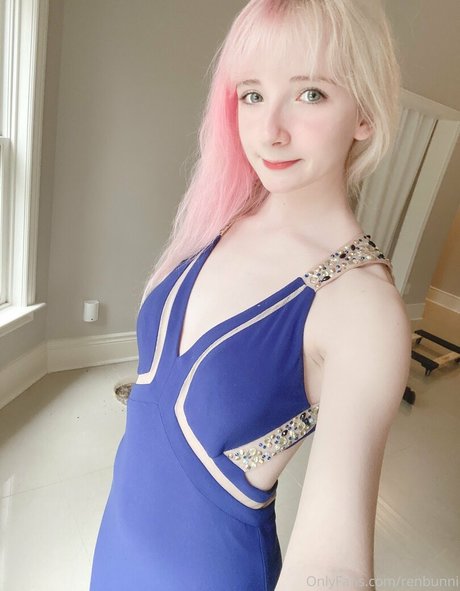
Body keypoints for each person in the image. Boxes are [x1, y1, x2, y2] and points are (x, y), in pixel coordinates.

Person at [89, 1, 411, 589]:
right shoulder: (219, 222)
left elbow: (333, 565)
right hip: (116, 547)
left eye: (310, 93)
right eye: (253, 94)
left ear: (364, 115)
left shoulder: (360, 307)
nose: (269, 131)